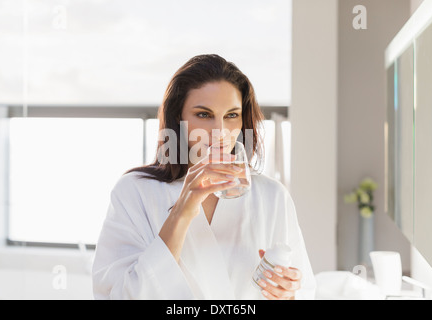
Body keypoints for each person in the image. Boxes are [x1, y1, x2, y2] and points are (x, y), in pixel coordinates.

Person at [92, 54, 316, 300]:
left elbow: (304, 291)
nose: (220, 132)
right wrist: (182, 210)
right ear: (179, 119)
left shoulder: (272, 196)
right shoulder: (135, 191)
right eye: (204, 115)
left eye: (231, 115)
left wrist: (288, 293)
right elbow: (118, 296)